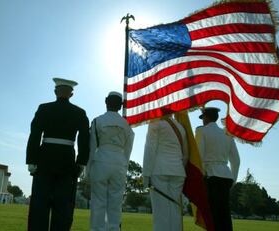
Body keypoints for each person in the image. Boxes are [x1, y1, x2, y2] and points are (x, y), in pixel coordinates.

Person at [26, 77, 90, 231]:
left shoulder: (44, 108)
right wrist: (81, 163)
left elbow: (34, 135)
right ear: (71, 94)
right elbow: (84, 140)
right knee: (63, 207)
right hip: (67, 161)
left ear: (55, 91)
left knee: (39, 204)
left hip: (44, 159)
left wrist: (31, 160)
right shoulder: (80, 112)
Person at [86, 91, 134, 231]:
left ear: (106, 101)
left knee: (98, 201)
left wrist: (88, 169)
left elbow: (92, 146)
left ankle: (97, 229)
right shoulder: (127, 125)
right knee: (116, 201)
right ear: (121, 106)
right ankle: (114, 228)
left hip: (101, 160)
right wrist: (124, 164)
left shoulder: (97, 121)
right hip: (119, 162)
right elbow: (128, 148)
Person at [195, 107, 240, 231]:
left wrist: (202, 174)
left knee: (212, 215)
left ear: (206, 117)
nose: (202, 121)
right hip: (226, 177)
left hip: (211, 176)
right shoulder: (227, 134)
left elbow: (200, 155)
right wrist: (233, 179)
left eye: (203, 118)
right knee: (224, 214)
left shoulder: (202, 131)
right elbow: (236, 160)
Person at [142, 114, 189, 231]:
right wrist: (178, 168)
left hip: (159, 170)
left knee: (160, 213)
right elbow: (185, 155)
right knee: (175, 212)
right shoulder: (180, 127)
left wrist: (146, 174)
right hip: (178, 171)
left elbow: (150, 148)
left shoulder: (155, 122)